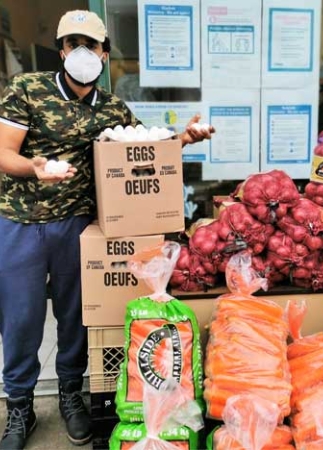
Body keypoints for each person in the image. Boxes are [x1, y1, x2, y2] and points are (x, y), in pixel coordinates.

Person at [0, 9, 215, 450]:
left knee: (76, 317)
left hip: (78, 224)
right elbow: (3, 151)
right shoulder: (27, 89)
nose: (82, 52)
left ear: (104, 52)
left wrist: (185, 139)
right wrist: (33, 168)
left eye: (91, 45)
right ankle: (19, 405)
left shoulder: (113, 107)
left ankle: (69, 396)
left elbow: (143, 151)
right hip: (21, 220)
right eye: (72, 44)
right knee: (21, 318)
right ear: (61, 51)